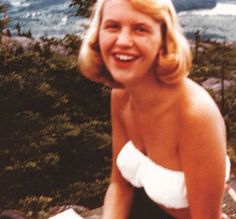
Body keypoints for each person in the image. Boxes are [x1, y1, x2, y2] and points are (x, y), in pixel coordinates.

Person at [78, 0, 231, 218]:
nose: (122, 41)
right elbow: (120, 187)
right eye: (112, 26)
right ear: (98, 34)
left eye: (141, 29)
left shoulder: (195, 116)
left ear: (163, 39)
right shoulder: (122, 94)